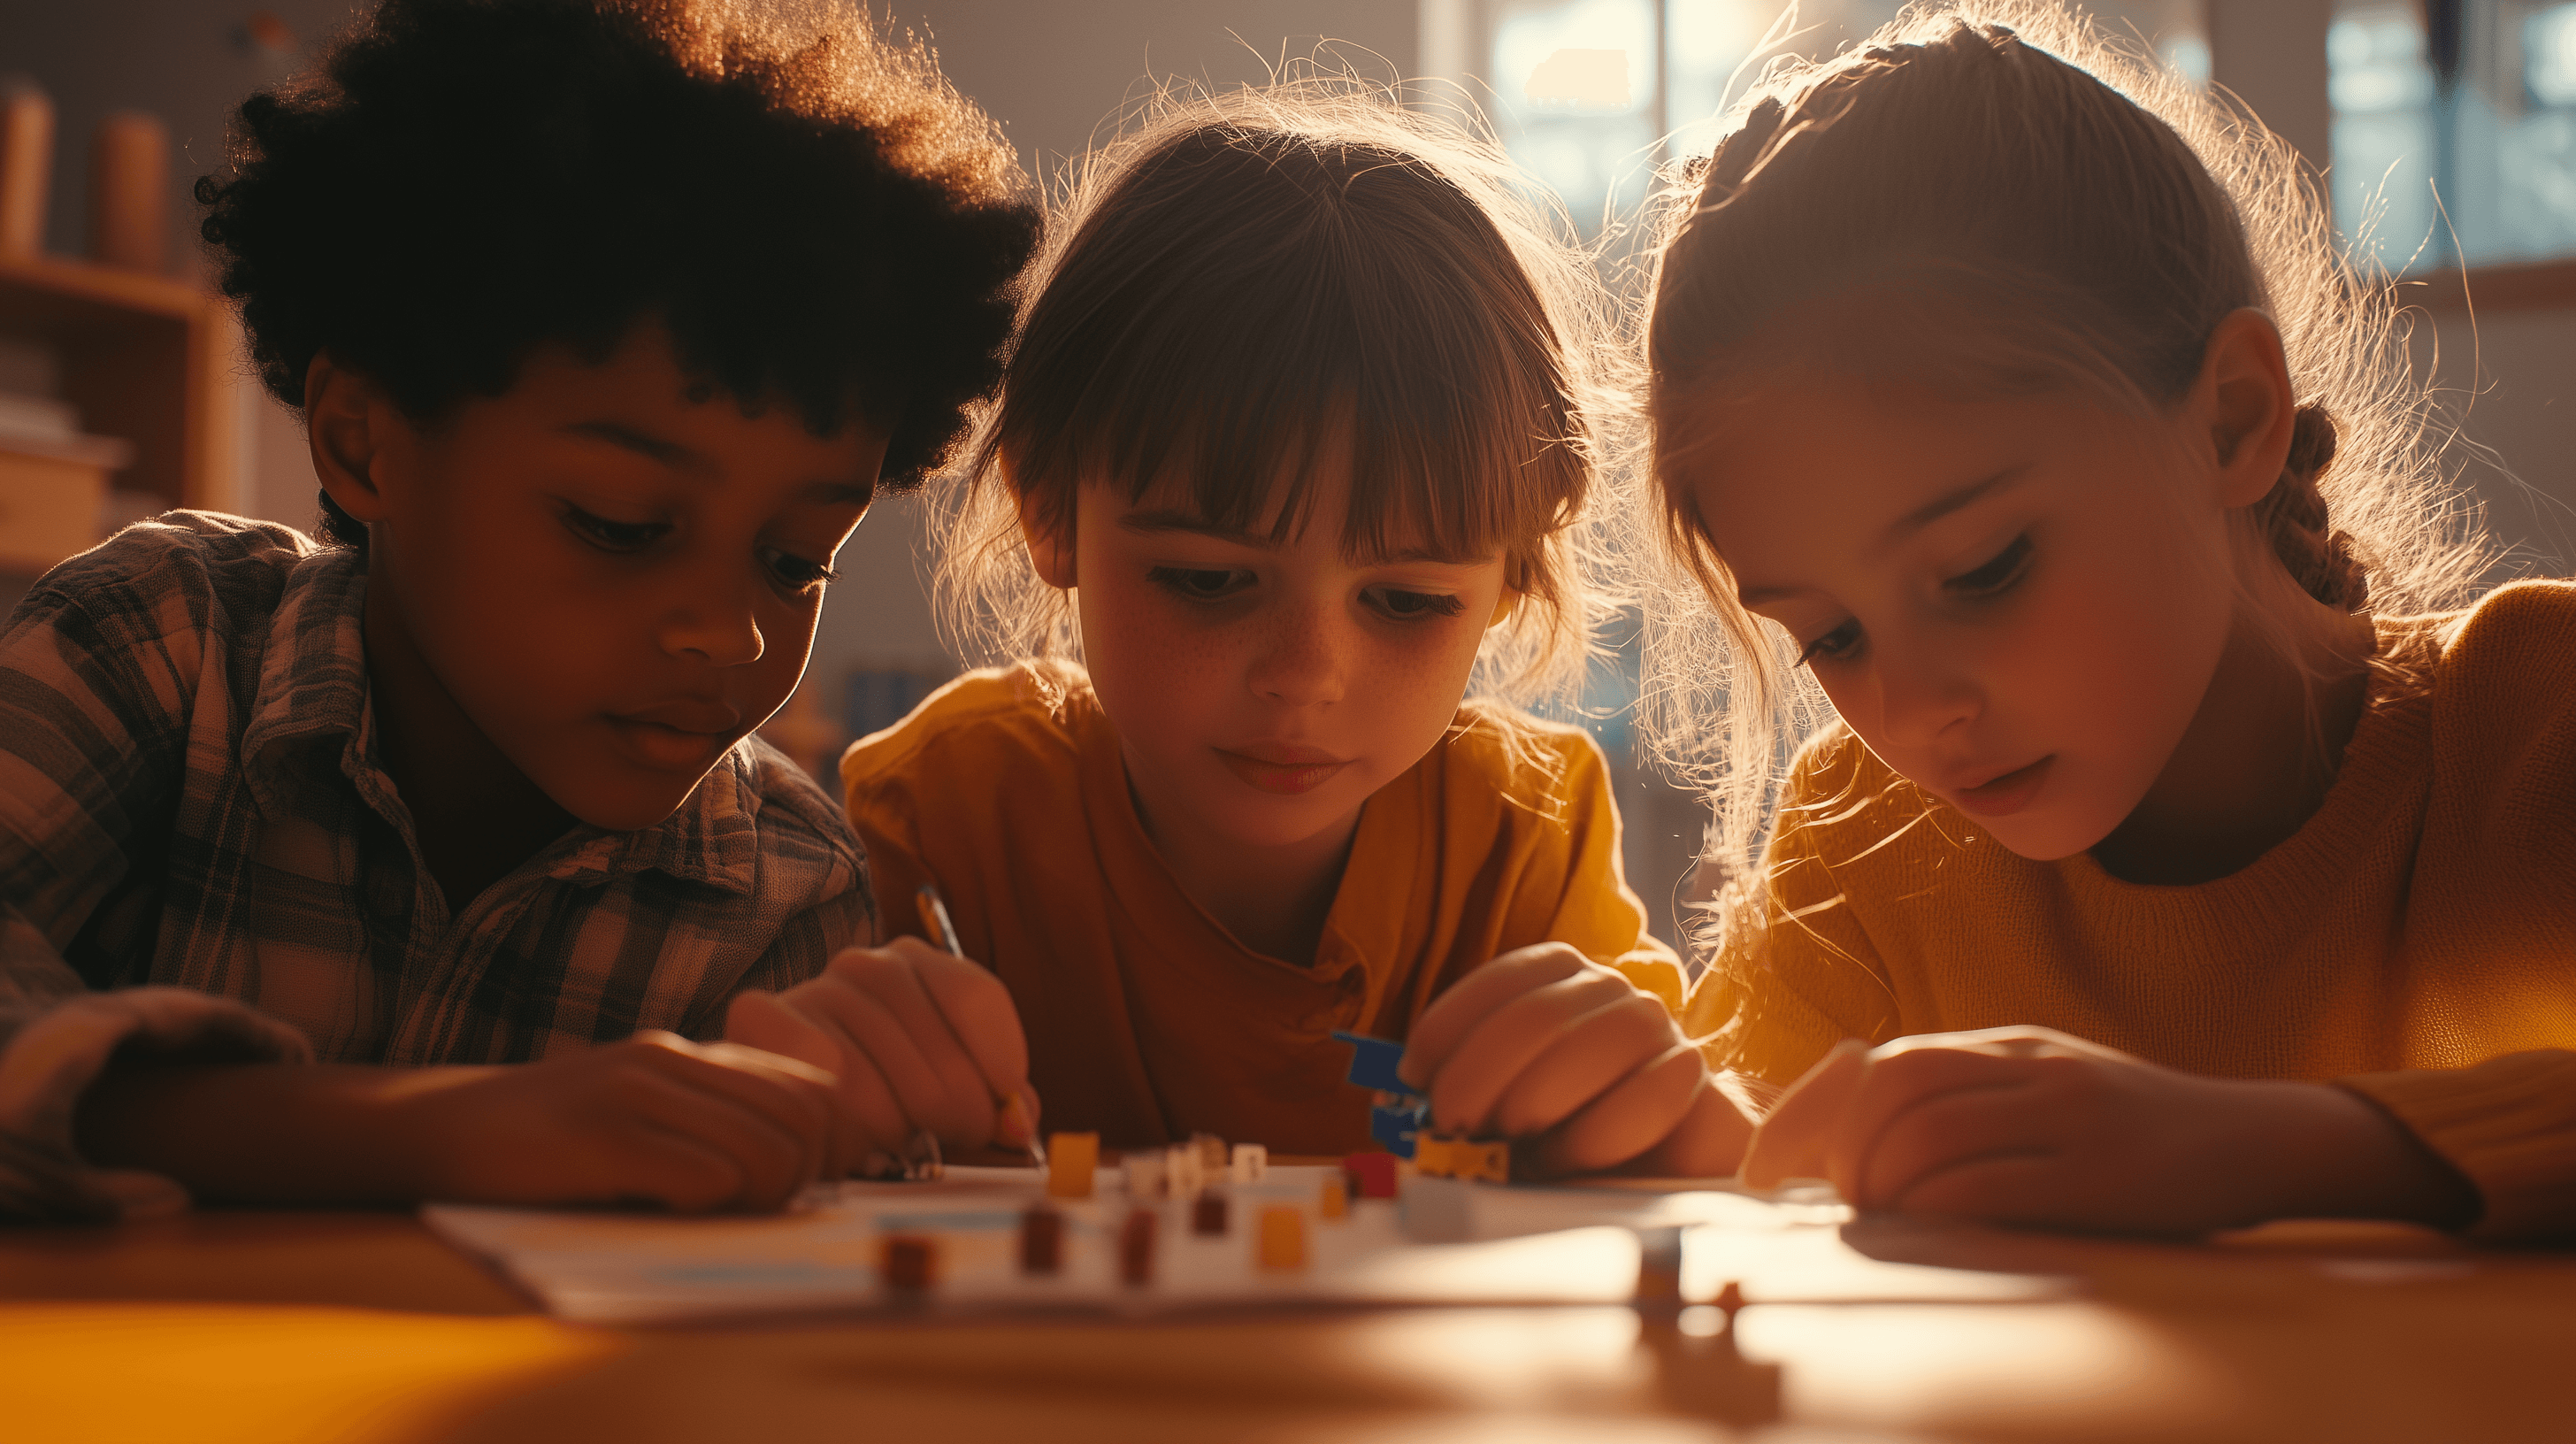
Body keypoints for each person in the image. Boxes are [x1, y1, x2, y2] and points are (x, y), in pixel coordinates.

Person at [0, 0, 1038, 1221]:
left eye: (795, 560)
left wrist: (881, 1130)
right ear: (364, 442)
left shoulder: (787, 891)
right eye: (619, 525)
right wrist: (427, 1134)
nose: (732, 632)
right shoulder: (154, 646)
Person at [1639, 3, 2573, 1238]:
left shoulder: (2536, 725)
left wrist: (2268, 1149)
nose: (1914, 716)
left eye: (1982, 570)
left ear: (2233, 419)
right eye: (1833, 639)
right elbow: (1749, 1205)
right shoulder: (1861, 854)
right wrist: (1628, 1123)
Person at [726, 81, 1748, 1172]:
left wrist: (1678, 1130)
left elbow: (1689, 1156)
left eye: (1405, 600)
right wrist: (804, 1097)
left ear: (1509, 580)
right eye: (1209, 580)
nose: (1304, 677)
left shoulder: (1520, 843)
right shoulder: (951, 814)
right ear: (1049, 510)